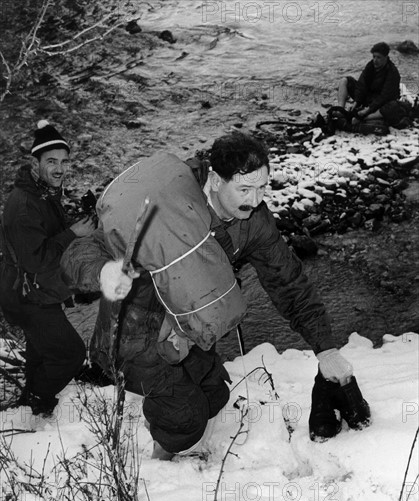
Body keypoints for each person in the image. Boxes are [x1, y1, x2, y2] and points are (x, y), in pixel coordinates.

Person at [61, 132, 371, 459]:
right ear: (214, 180)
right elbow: (77, 254)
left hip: (188, 327)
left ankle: (171, 423)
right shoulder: (164, 204)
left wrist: (326, 349)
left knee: (213, 395)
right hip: (136, 331)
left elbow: (289, 282)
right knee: (186, 417)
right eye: (244, 189)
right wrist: (103, 272)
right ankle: (159, 470)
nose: (254, 200)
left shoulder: (253, 222)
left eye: (262, 187)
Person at [0, 120, 95, 416]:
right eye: (51, 161)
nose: (59, 169)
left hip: (29, 289)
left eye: (64, 162)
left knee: (41, 351)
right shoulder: (25, 204)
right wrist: (73, 234)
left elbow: (45, 232)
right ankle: (36, 402)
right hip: (29, 295)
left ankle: (32, 401)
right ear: (34, 162)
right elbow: (36, 259)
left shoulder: (41, 190)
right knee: (70, 354)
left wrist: (74, 221)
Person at [337, 41, 410, 129]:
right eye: (374, 56)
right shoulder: (370, 66)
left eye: (378, 57)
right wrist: (356, 102)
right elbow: (361, 85)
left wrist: (367, 110)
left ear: (386, 57)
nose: (375, 60)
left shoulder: (392, 72)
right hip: (368, 98)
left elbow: (385, 96)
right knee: (345, 80)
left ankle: (366, 118)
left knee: (394, 106)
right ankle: (340, 109)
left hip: (381, 104)